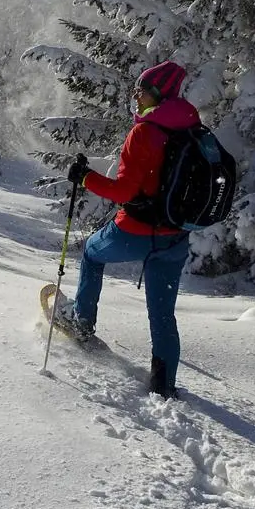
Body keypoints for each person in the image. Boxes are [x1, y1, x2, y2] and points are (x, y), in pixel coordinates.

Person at [62, 60, 200, 399]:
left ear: (156, 94)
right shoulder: (191, 128)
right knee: (163, 314)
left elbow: (124, 192)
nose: (136, 98)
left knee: (93, 255)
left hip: (135, 232)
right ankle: (164, 385)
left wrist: (85, 177)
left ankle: (82, 325)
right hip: (174, 237)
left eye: (140, 91)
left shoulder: (145, 132)